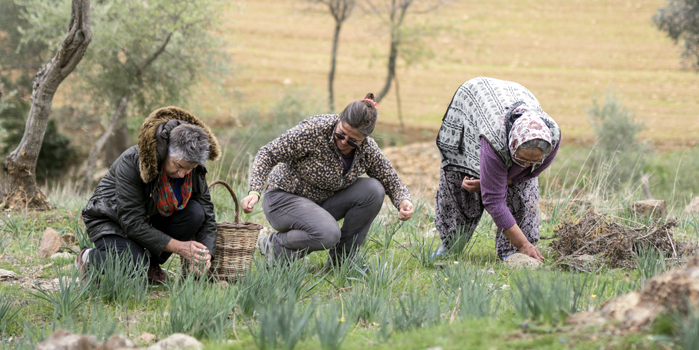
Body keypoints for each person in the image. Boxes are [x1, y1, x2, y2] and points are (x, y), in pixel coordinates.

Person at [240, 93, 415, 264]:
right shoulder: (313, 131)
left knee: (374, 190)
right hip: (283, 199)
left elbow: (389, 178)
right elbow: (267, 153)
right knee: (328, 234)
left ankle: (342, 262)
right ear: (339, 119)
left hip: (320, 205)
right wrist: (254, 190)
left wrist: (403, 200)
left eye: (353, 141)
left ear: (364, 139)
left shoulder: (368, 150)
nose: (344, 142)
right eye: (341, 134)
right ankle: (274, 244)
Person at [78, 106, 220, 283]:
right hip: (111, 220)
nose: (183, 174)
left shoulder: (193, 169)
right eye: (178, 166)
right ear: (166, 150)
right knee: (134, 264)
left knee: (195, 212)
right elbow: (131, 221)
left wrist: (205, 254)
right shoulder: (132, 161)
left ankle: (151, 264)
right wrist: (180, 247)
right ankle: (88, 258)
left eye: (189, 169)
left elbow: (207, 214)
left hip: (149, 219)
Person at [434, 77, 561, 261]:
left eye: (533, 161)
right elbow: (493, 200)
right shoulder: (495, 141)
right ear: (512, 145)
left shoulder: (552, 138)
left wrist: (496, 182)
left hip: (513, 96)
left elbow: (528, 174)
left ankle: (513, 253)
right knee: (460, 184)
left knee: (524, 192)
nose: (526, 165)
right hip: (473, 104)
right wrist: (489, 184)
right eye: (521, 159)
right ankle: (451, 246)